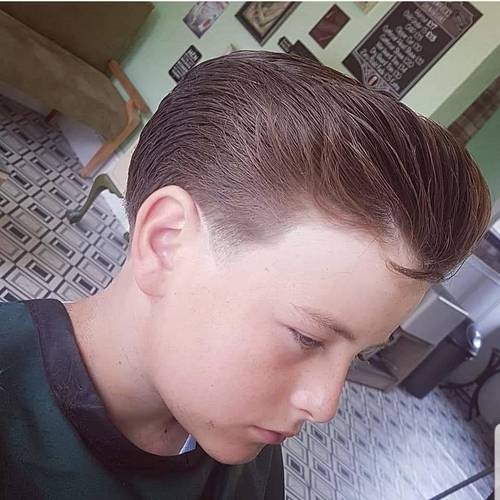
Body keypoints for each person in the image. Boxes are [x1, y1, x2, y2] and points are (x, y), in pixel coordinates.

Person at [0, 50, 491, 499]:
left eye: (361, 354)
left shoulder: (243, 446)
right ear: (165, 243)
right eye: (307, 337)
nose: (324, 406)